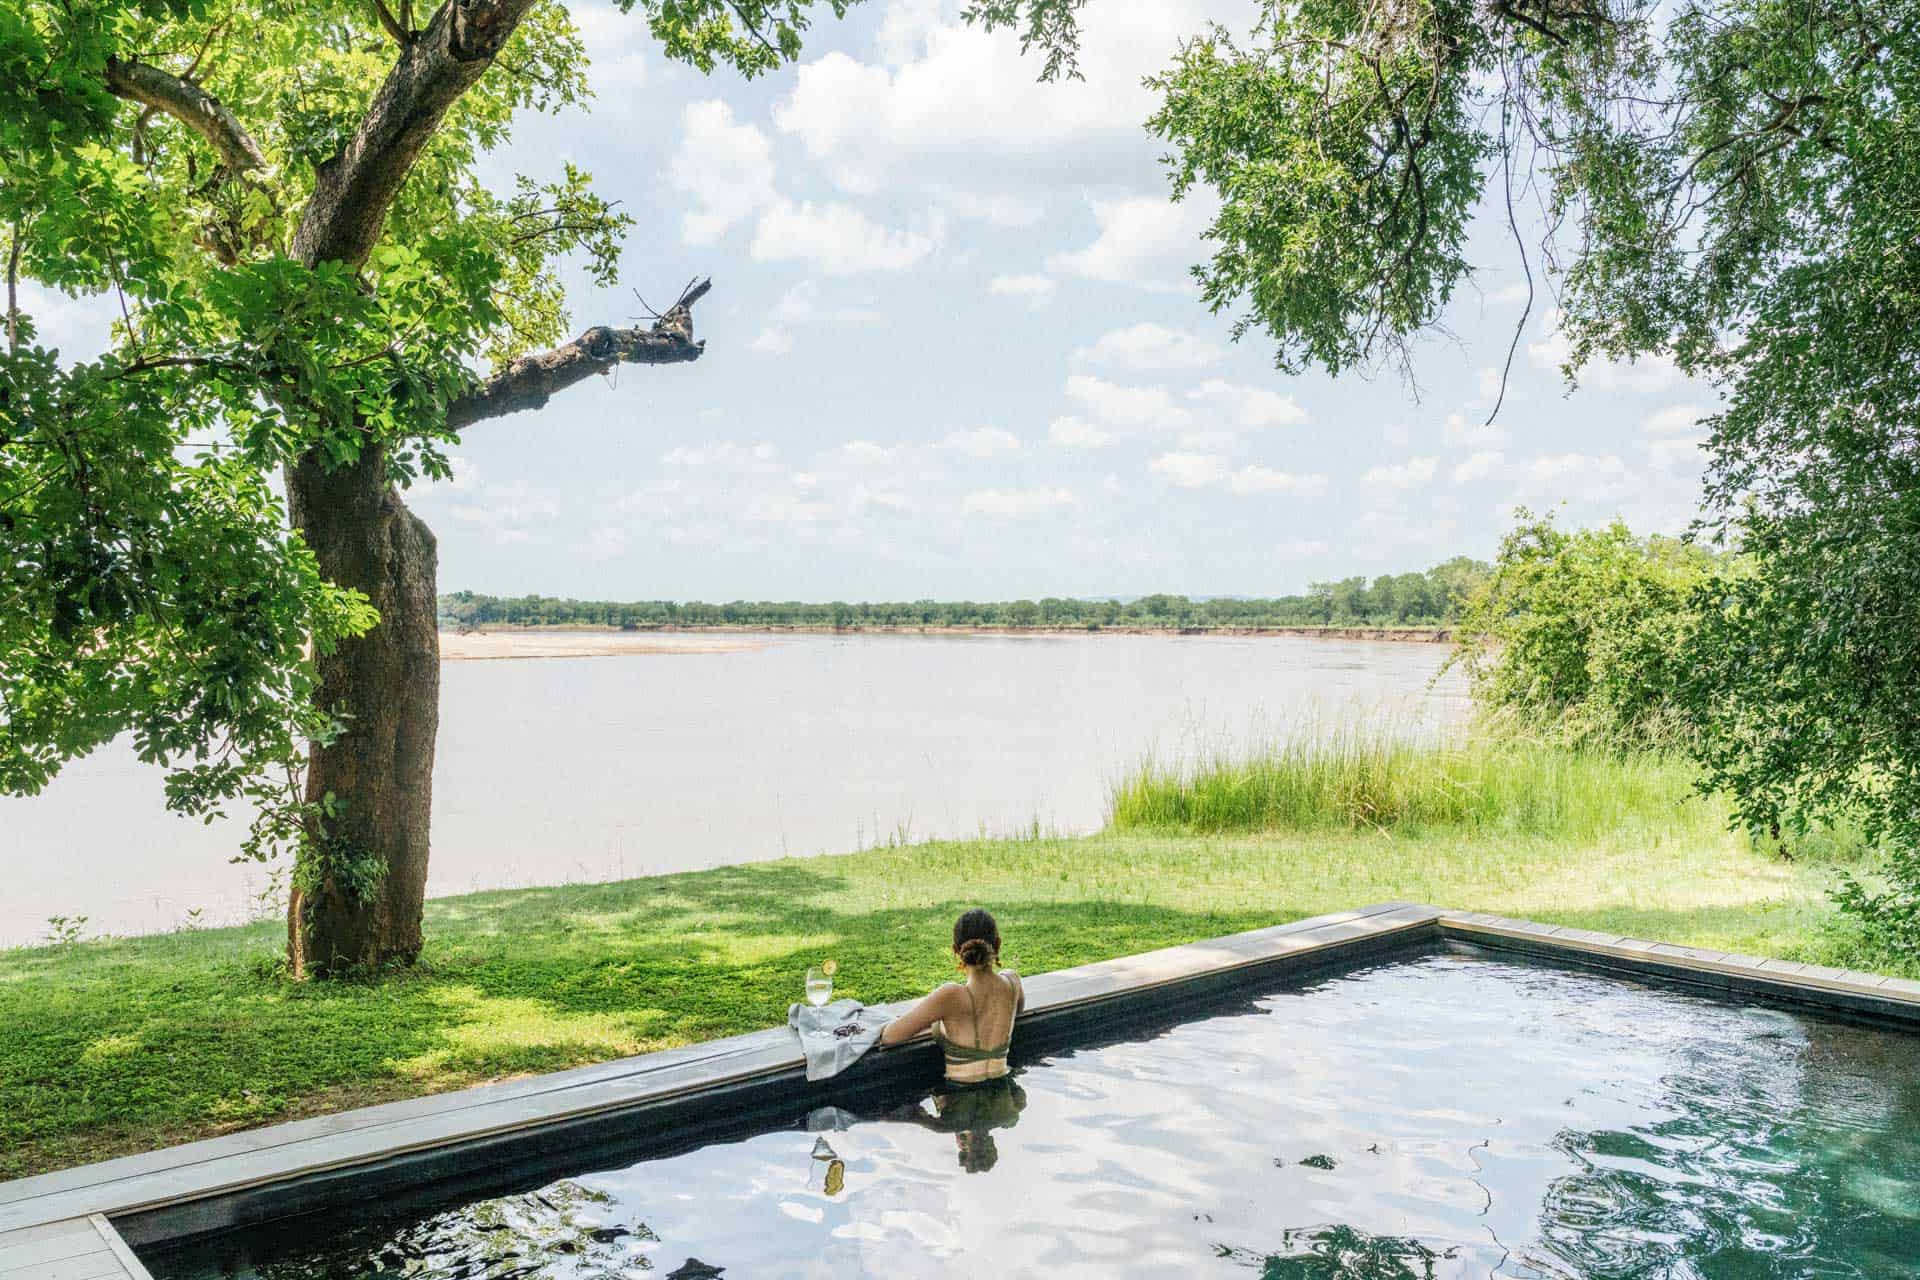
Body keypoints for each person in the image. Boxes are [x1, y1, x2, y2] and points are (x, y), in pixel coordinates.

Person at [879, 907, 1025, 1085]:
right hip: (1005, 1093)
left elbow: (890, 1037)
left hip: (961, 1097)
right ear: (998, 944)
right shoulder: (1013, 982)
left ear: (956, 950)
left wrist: (935, 1022)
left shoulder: (950, 995)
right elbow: (1016, 1012)